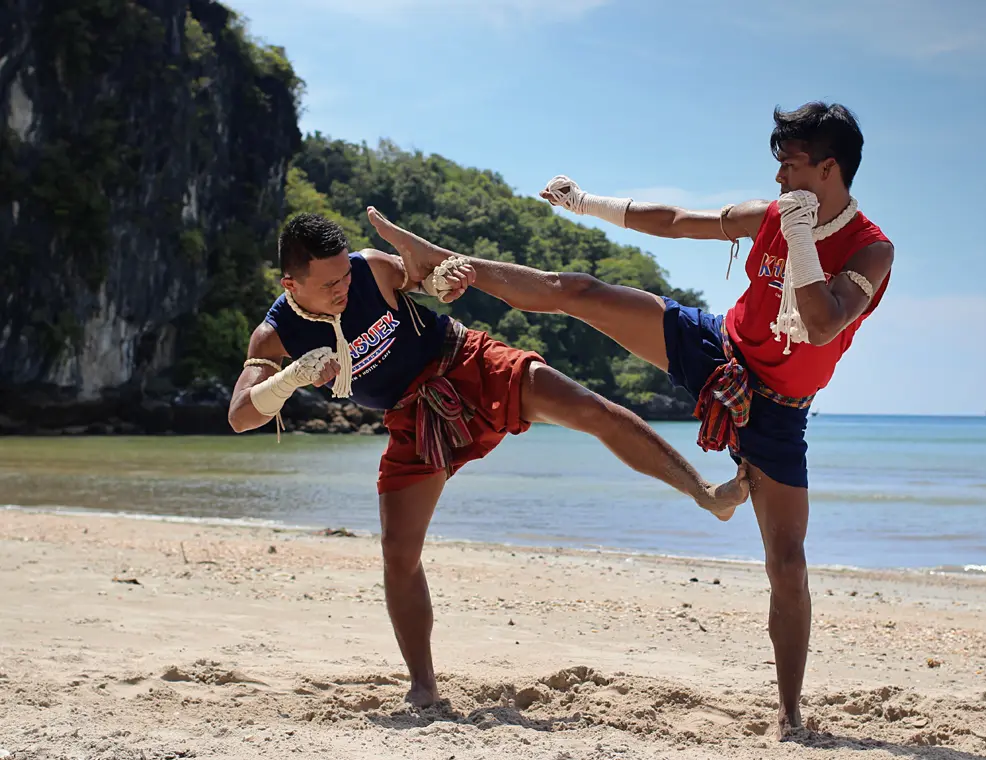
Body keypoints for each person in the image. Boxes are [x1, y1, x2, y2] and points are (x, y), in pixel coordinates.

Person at [363, 101, 894, 735]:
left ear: (829, 168)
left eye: (791, 167)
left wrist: (803, 236)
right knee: (582, 291)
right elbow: (674, 222)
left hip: (778, 409)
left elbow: (822, 321)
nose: (779, 181)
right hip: (717, 350)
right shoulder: (774, 214)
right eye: (777, 167)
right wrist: (586, 201)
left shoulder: (871, 251)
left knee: (786, 559)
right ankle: (450, 263)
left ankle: (788, 714)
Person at [226, 212, 751, 707]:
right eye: (329, 285)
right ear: (291, 285)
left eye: (344, 276)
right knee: (397, 555)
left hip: (464, 360)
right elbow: (240, 416)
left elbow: (429, 278)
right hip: (412, 415)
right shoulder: (276, 335)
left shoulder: (370, 268)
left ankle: (706, 494)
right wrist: (289, 378)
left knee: (593, 411)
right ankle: (423, 687)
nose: (344, 288)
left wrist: (441, 282)